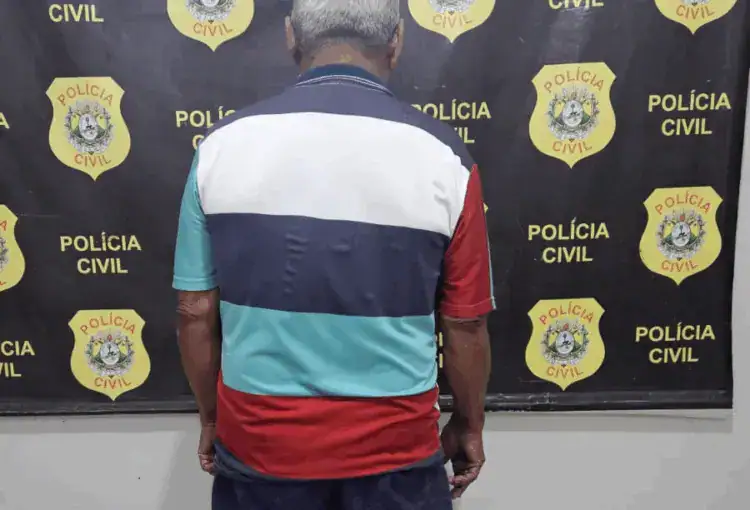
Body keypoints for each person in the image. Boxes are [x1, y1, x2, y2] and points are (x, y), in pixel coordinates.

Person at [172, 0, 494, 508]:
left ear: (290, 37)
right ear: (396, 41)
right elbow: (465, 324)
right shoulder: (447, 157)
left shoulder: (219, 149)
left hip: (260, 449)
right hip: (397, 456)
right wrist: (470, 425)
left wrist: (213, 420)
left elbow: (194, 310)